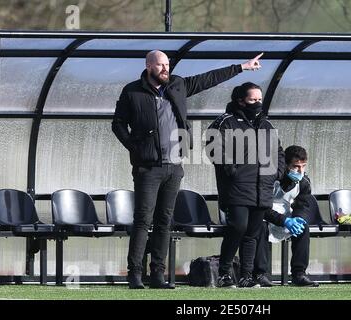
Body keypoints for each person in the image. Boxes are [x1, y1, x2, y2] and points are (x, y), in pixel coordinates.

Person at [112, 50, 264, 289]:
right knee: (143, 220)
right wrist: (135, 148)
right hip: (148, 168)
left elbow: (209, 78)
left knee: (164, 221)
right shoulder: (132, 91)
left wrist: (242, 67)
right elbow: (118, 124)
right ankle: (135, 274)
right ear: (148, 66)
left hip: (174, 166)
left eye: (167, 65)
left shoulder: (178, 85)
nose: (165, 69)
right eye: (160, 65)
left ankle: (158, 275)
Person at [207, 82, 285, 288]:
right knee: (238, 227)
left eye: (259, 99)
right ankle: (224, 273)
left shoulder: (267, 125)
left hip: (262, 188)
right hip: (237, 188)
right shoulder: (226, 121)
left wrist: (277, 172)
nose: (258, 103)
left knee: (252, 233)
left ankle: (246, 276)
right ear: (240, 100)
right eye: (253, 99)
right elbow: (213, 146)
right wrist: (232, 170)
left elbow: (279, 152)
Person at [253, 145, 319, 287]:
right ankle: (260, 274)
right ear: (285, 165)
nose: (300, 171)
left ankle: (299, 274)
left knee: (303, 228)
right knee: (260, 226)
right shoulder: (268, 177)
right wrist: (284, 220)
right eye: (296, 167)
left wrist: (299, 218)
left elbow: (304, 204)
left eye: (303, 166)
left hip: (287, 216)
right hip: (265, 215)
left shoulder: (304, 182)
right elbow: (261, 207)